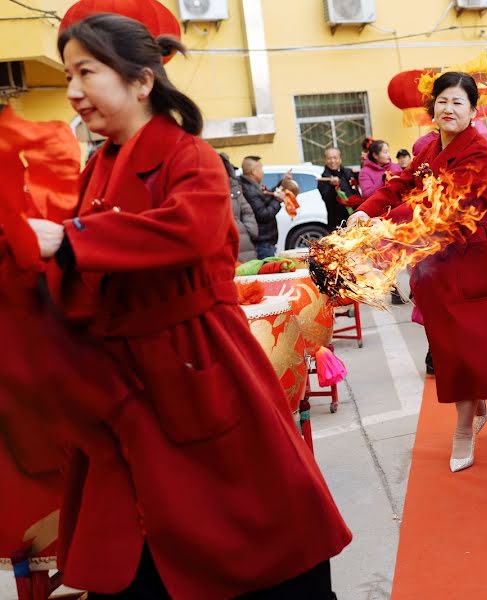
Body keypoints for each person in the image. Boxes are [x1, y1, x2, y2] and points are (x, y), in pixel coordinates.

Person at [27, 14, 350, 598]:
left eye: (86, 72)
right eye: (68, 74)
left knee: (252, 541)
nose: (73, 91)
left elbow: (192, 231)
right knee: (139, 550)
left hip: (195, 366)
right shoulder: (99, 163)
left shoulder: (189, 154)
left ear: (142, 81)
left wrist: (70, 239)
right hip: (122, 384)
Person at [348, 72, 487, 473]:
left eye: (457, 102)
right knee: (448, 347)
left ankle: (462, 431)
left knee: (468, 348)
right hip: (434, 263)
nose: (448, 109)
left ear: (472, 111)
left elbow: (446, 210)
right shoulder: (430, 148)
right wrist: (366, 209)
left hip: (471, 261)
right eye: (442, 101)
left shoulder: (480, 154)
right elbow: (401, 184)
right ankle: (475, 402)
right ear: (432, 108)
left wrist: (385, 222)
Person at [240, 155, 284, 259]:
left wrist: (281, 184)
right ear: (254, 172)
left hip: (264, 241)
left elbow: (265, 200)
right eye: (261, 168)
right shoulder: (249, 190)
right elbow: (263, 214)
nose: (262, 172)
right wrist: (278, 201)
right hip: (262, 243)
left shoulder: (250, 186)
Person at [221, 152, 258, 263]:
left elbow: (247, 211)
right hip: (223, 246)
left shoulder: (234, 188)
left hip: (243, 242)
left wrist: (248, 230)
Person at [317, 147, 361, 232]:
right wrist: (333, 187)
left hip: (355, 218)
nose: (332, 161)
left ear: (340, 159)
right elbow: (327, 199)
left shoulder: (349, 172)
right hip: (337, 223)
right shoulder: (324, 179)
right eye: (329, 158)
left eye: (335, 158)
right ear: (325, 160)